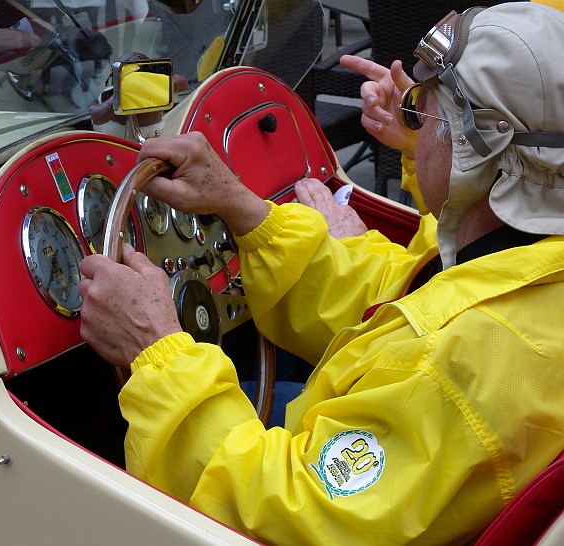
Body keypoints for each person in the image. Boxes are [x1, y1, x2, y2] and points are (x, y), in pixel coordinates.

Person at [78, 3, 564, 543]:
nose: (412, 134)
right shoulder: (523, 257)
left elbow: (275, 515)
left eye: (423, 118)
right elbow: (394, 306)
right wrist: (246, 211)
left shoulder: (452, 371)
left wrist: (155, 348)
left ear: (480, 152)